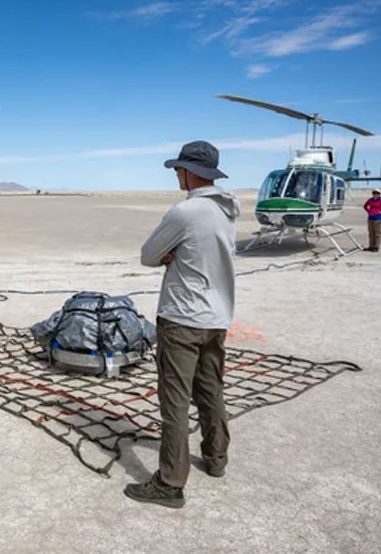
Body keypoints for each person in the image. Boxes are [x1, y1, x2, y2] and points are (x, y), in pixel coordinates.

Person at [125, 141, 240, 508]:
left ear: (192, 172)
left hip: (182, 319)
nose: (177, 175)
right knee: (210, 390)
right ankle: (216, 458)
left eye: (179, 169)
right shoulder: (227, 210)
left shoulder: (186, 212)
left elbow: (147, 255)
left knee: (174, 401)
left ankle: (170, 483)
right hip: (216, 317)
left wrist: (167, 256)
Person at [363, 188, 381, 252]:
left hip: (378, 218)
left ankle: (376, 247)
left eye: (377, 193)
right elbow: (365, 206)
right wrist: (369, 211)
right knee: (371, 233)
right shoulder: (370, 200)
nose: (375, 194)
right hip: (370, 218)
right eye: (374, 193)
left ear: (379, 194)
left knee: (377, 233)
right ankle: (371, 246)